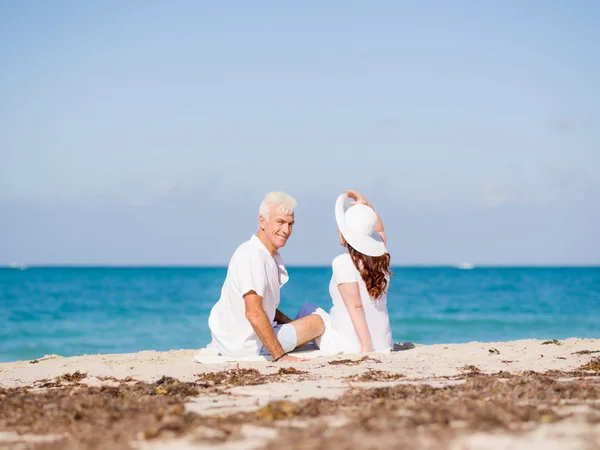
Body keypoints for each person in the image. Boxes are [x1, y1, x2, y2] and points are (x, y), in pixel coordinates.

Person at [207, 191, 325, 363]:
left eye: (290, 224)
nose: (286, 230)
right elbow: (254, 312)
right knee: (317, 322)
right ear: (262, 221)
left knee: (306, 316)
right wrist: (281, 357)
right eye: (280, 222)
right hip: (245, 345)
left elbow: (263, 306)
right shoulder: (253, 256)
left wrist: (288, 323)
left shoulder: (266, 255)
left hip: (231, 339)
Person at [314, 190, 394, 354]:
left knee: (309, 310)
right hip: (385, 343)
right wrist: (367, 206)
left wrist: (366, 346)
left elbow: (356, 307)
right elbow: (379, 230)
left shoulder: (343, 262)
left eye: (341, 227)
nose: (338, 230)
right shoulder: (382, 258)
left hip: (350, 344)